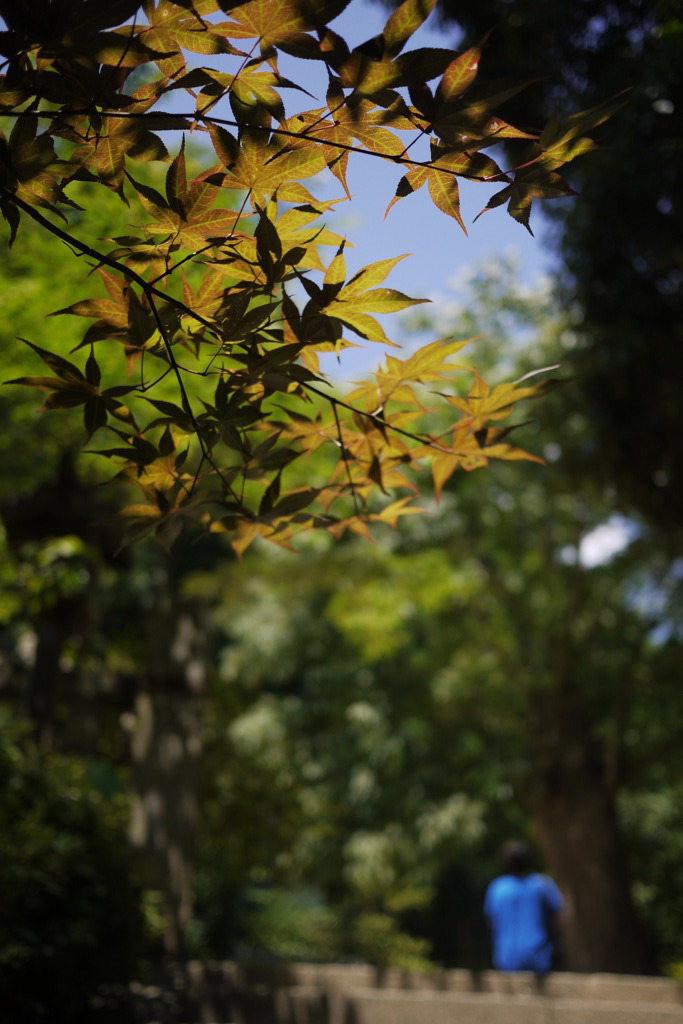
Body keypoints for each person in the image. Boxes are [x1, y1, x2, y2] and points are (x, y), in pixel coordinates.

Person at [484, 840, 563, 974]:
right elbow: (557, 917)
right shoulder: (542, 884)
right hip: (539, 959)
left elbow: (491, 922)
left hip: (506, 960)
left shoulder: (497, 888)